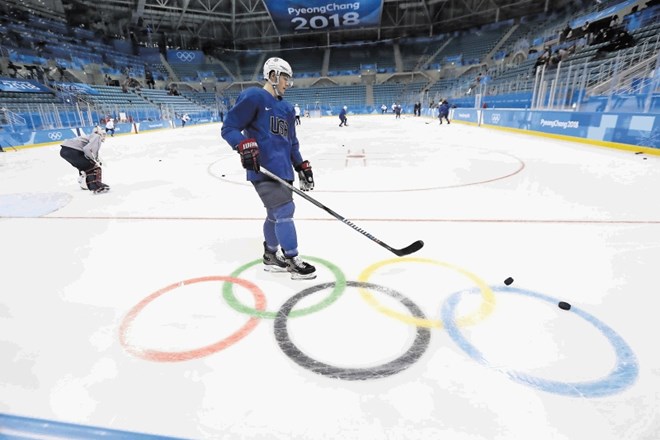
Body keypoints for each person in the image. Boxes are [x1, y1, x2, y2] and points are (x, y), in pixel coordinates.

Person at [221, 57, 316, 280]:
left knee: (274, 215)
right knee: (284, 211)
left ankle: (270, 256)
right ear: (273, 75)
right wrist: (242, 144)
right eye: (285, 79)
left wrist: (301, 165)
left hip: (283, 171)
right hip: (262, 169)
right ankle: (292, 259)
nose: (287, 84)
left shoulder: (287, 108)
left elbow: (291, 143)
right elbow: (229, 127)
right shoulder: (254, 96)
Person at [59, 127, 110, 193]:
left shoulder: (89, 137)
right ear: (98, 133)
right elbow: (88, 149)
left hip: (64, 151)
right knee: (92, 167)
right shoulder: (97, 136)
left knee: (83, 167)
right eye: (103, 134)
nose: (104, 136)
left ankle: (84, 184)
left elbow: (90, 150)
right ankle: (96, 186)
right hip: (73, 151)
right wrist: (93, 160)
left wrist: (95, 158)